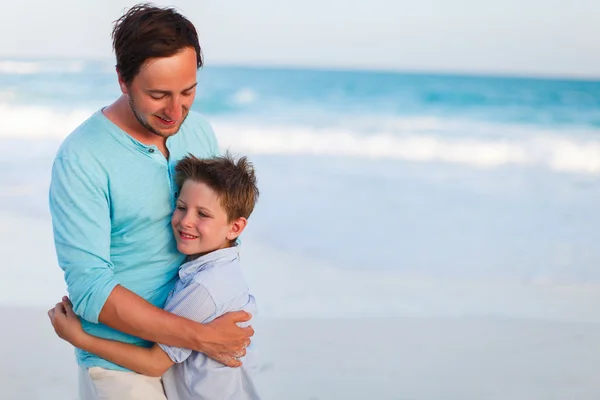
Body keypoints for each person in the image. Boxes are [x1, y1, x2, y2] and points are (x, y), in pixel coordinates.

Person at [46, 4, 253, 399]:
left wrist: (213, 329)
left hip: (189, 358)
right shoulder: (82, 157)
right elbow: (91, 289)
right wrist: (201, 336)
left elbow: (221, 234)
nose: (176, 112)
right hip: (120, 365)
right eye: (158, 95)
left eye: (188, 91)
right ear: (123, 80)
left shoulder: (199, 132)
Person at [50, 153, 261, 400]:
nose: (186, 221)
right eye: (181, 207)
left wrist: (80, 338)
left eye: (202, 214)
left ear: (235, 227)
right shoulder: (221, 270)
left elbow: (154, 363)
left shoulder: (205, 288)